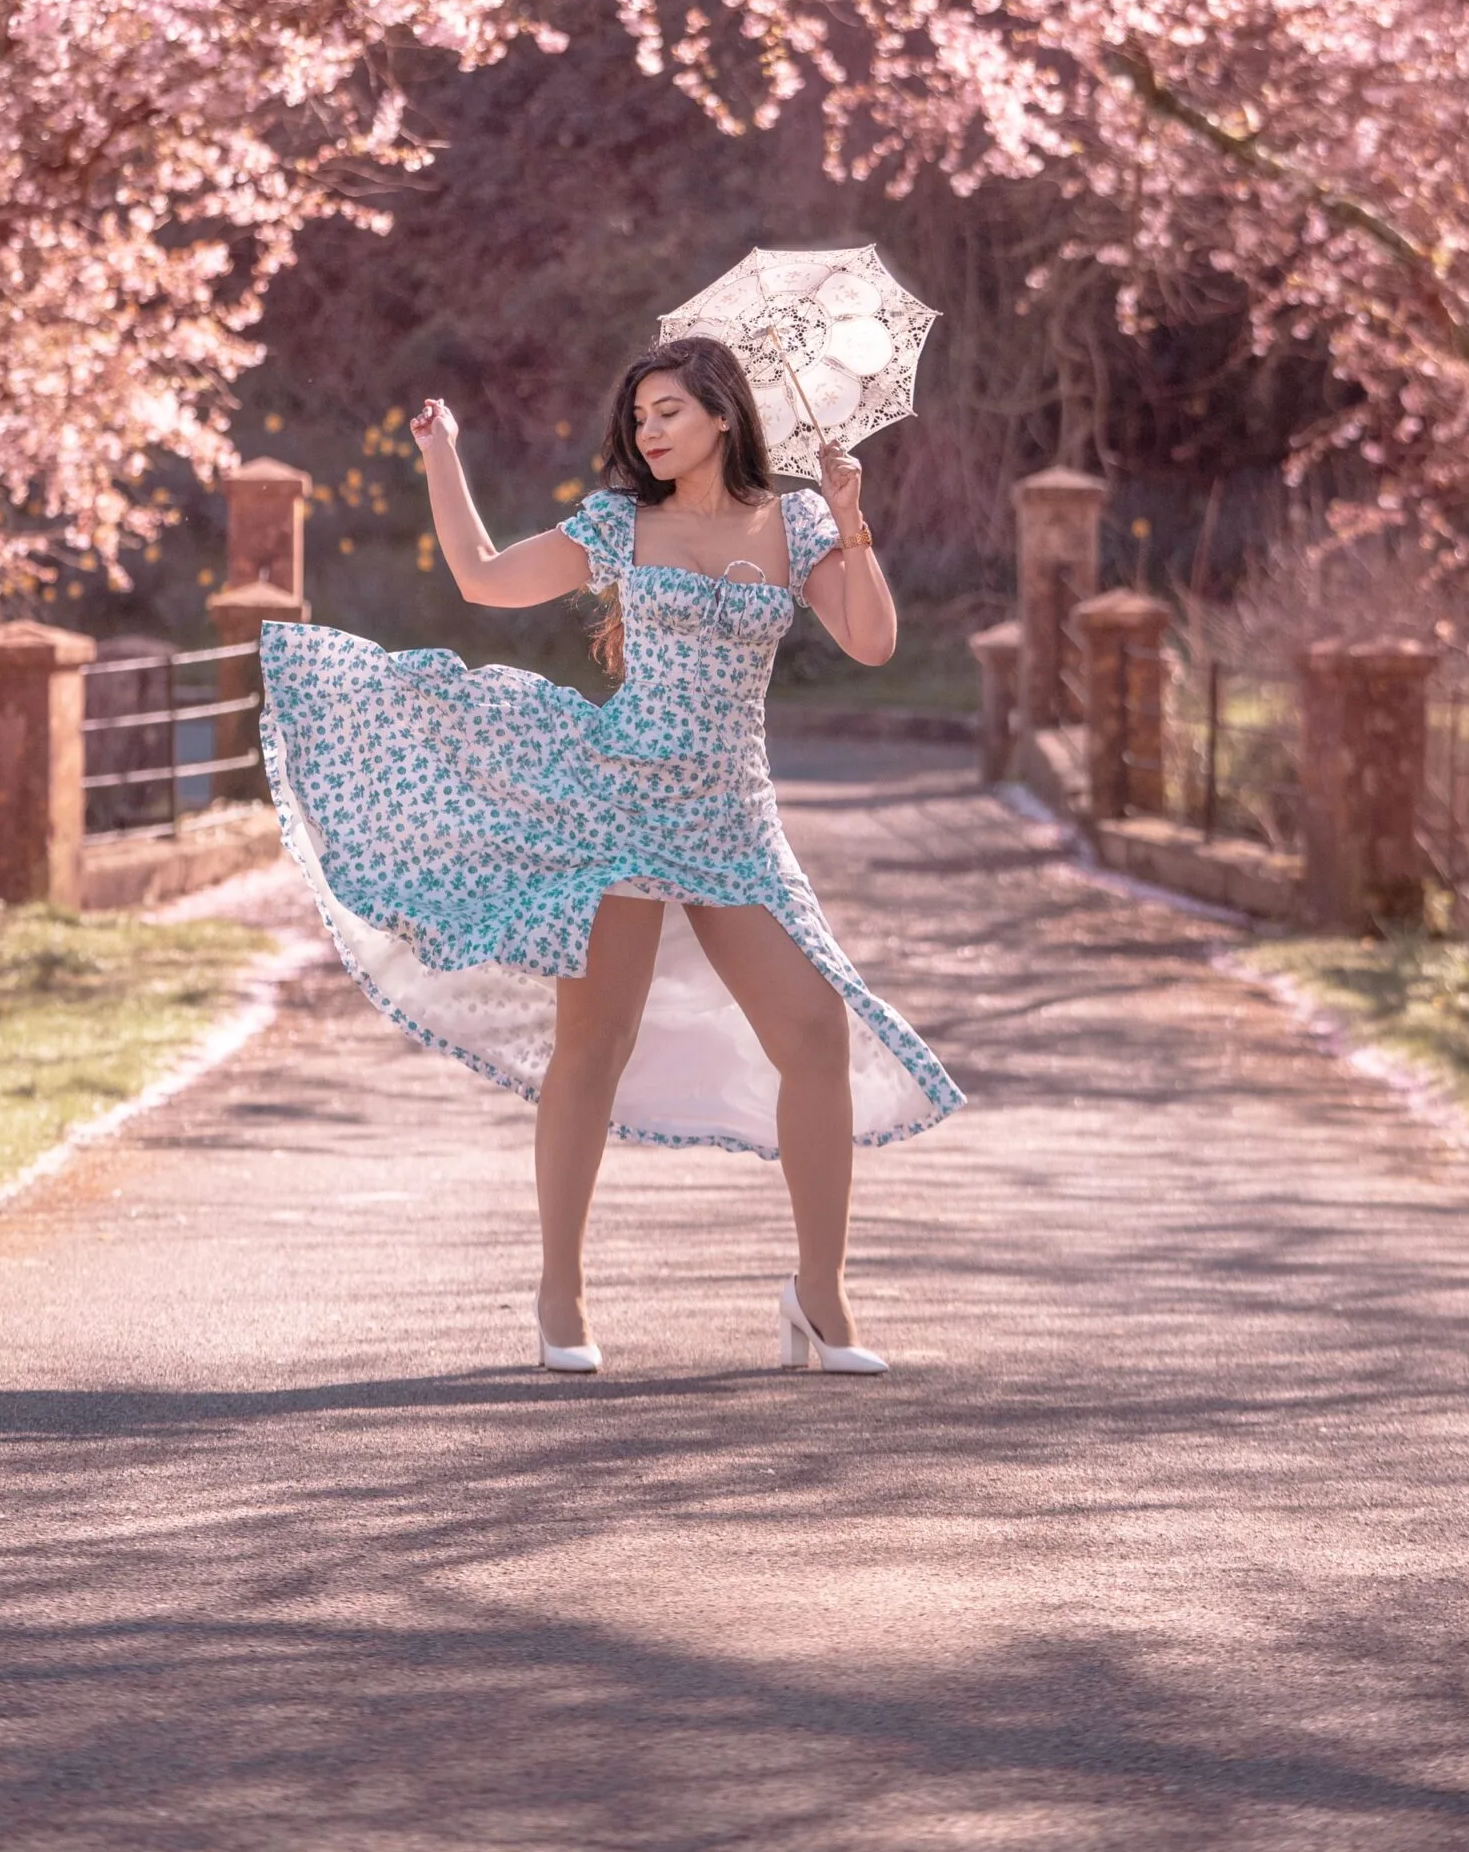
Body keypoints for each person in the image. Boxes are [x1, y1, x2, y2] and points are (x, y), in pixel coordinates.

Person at [259, 335, 963, 1378]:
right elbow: (483, 580)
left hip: (731, 817)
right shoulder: (619, 524)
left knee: (814, 1032)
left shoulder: (798, 518)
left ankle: (817, 1292)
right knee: (593, 1043)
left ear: (722, 414)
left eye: (667, 411)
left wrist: (853, 517)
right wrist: (441, 453)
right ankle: (561, 1290)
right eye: (638, 418)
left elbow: (869, 643)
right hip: (616, 804)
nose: (647, 431)